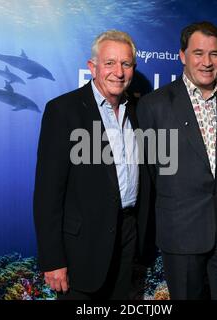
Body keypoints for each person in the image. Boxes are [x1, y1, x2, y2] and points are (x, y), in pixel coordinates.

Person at [136, 21, 217, 300]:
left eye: (214, 54)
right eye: (198, 53)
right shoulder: (154, 105)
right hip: (181, 234)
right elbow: (150, 172)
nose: (207, 62)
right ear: (182, 56)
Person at [33, 30, 150, 300]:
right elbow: (47, 194)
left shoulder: (139, 111)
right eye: (109, 63)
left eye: (126, 64)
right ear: (92, 67)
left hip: (128, 238)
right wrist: (52, 260)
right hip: (81, 250)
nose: (118, 72)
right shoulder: (63, 111)